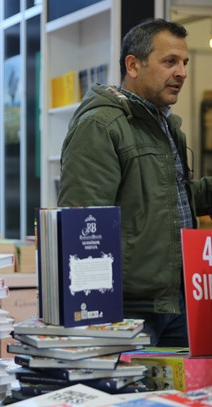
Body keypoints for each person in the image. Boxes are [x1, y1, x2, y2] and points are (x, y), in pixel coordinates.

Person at [58, 18, 212, 347]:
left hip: (178, 302)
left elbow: (171, 201)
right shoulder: (101, 126)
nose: (182, 72)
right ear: (133, 65)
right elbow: (84, 224)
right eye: (170, 61)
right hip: (129, 311)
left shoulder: (165, 127)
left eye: (184, 63)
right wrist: (95, 315)